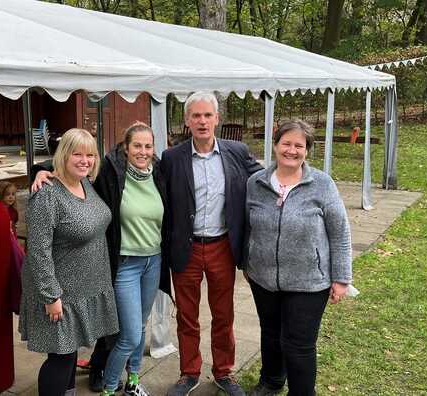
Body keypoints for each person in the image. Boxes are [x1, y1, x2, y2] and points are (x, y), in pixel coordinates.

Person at [33, 123, 171, 395]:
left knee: (85, 346)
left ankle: (131, 383)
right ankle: (109, 385)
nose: (143, 152)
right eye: (136, 146)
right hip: (100, 274)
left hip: (120, 273)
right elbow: (39, 250)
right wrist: (39, 171)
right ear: (125, 148)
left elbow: (78, 168)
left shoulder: (92, 181)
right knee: (116, 338)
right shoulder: (110, 172)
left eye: (148, 146)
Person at [160, 91, 263, 396]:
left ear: (217, 119)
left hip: (222, 246)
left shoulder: (237, 152)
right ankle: (189, 373)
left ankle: (224, 372)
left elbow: (265, 178)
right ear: (187, 121)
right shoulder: (171, 157)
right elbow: (142, 177)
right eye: (196, 115)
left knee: (223, 314)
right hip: (186, 247)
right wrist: (47, 170)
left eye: (208, 115)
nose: (202, 121)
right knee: (187, 316)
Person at [242, 120, 352, 396]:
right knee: (270, 333)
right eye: (286, 144)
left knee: (299, 343)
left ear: (307, 151)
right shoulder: (256, 183)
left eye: (298, 145)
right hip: (263, 277)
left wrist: (341, 278)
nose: (291, 150)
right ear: (275, 145)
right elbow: (247, 225)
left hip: (308, 281)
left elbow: (339, 232)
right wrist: (248, 260)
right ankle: (271, 380)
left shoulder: (322, 184)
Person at [19, 128, 119, 396]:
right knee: (61, 357)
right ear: (63, 156)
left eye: (90, 155)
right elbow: (38, 251)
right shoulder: (47, 194)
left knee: (71, 351)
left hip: (84, 289)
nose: (85, 160)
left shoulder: (85, 182)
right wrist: (51, 296)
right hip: (60, 293)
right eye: (77, 154)